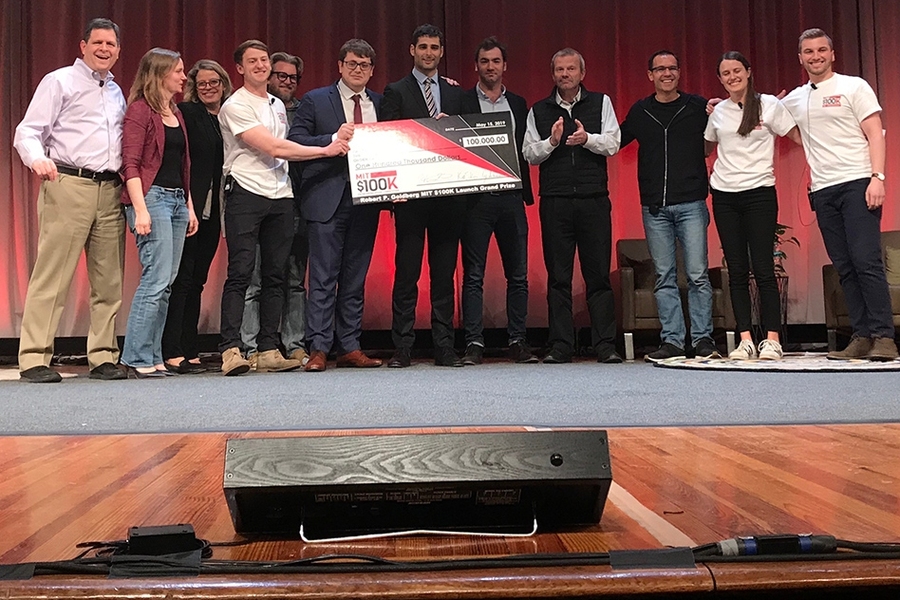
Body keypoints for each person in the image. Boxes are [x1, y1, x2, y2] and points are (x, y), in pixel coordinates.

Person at [217, 39, 348, 376]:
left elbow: (284, 146)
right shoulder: (235, 105)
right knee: (241, 273)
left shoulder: (277, 104)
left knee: (277, 274)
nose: (260, 66)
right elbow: (273, 146)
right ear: (240, 68)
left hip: (281, 195)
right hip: (246, 193)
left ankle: (267, 347)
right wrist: (326, 149)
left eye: (263, 60)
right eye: (253, 61)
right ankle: (231, 348)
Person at [13, 18, 127, 383]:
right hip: (68, 183)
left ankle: (104, 355)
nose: (104, 49)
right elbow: (27, 131)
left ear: (118, 50)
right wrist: (37, 159)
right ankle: (33, 357)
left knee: (108, 280)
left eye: (110, 44)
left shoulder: (116, 91)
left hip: (109, 188)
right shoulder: (59, 80)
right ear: (82, 45)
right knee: (53, 275)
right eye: (97, 43)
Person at [781, 28, 898, 361]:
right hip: (823, 190)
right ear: (800, 58)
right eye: (808, 51)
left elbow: (875, 133)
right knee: (844, 266)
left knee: (866, 262)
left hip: (858, 182)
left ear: (832, 54)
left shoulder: (853, 86)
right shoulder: (797, 97)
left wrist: (878, 177)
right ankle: (860, 335)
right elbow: (773, 119)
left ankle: (883, 336)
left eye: (821, 50)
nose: (815, 56)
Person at [288, 39, 383, 372]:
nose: (358, 70)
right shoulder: (315, 100)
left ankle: (350, 346)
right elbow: (294, 141)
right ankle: (318, 347)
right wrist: (330, 139)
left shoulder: (381, 104)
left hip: (367, 200)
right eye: (352, 63)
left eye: (365, 65)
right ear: (340, 66)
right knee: (323, 279)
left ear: (372, 71)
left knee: (355, 279)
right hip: (326, 199)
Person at [523, 48, 622, 364]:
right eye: (559, 70)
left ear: (583, 73)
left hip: (594, 200)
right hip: (555, 203)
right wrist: (551, 142)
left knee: (598, 277)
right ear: (552, 75)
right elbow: (529, 153)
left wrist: (587, 139)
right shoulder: (539, 110)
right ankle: (561, 345)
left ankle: (605, 345)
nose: (565, 75)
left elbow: (614, 143)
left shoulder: (601, 102)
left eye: (571, 69)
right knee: (558, 277)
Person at [619, 51, 717, 362]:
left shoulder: (697, 106)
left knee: (699, 274)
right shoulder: (641, 111)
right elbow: (614, 140)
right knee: (664, 275)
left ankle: (702, 339)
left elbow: (719, 134)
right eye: (660, 69)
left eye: (672, 68)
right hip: (655, 208)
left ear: (679, 72)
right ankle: (673, 341)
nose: (666, 73)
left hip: (691, 202)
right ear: (650, 75)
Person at [704, 51, 799, 361]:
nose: (732, 77)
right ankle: (744, 338)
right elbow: (707, 146)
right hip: (724, 195)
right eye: (725, 73)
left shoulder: (769, 105)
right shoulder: (718, 112)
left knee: (764, 268)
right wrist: (707, 112)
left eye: (737, 71)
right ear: (720, 79)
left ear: (748, 71)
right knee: (736, 270)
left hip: (759, 193)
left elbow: (795, 134)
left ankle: (771, 339)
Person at [381, 24, 466, 368]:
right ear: (411, 50)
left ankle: (444, 346)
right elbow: (387, 138)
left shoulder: (457, 93)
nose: (429, 53)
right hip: (411, 199)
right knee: (406, 274)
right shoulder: (395, 91)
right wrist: (430, 129)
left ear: (441, 52)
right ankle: (402, 347)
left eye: (434, 47)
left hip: (448, 198)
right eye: (423, 47)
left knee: (444, 276)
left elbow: (467, 141)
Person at [120, 48, 199, 378]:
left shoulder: (175, 112)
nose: (184, 76)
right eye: (178, 71)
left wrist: (190, 207)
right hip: (151, 199)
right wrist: (140, 209)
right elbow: (131, 164)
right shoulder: (140, 111)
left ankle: (152, 355)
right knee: (154, 280)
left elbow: (183, 165)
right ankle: (135, 357)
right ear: (159, 74)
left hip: (177, 201)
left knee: (166, 283)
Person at [459, 37, 537, 365]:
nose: (491, 67)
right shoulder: (461, 102)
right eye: (485, 61)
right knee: (473, 274)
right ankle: (474, 343)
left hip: (511, 198)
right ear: (476, 66)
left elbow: (527, 148)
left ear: (505, 66)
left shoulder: (519, 104)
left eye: (496, 61)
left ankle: (517, 340)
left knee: (517, 274)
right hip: (475, 200)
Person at [161, 59, 232, 374]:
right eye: (202, 83)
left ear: (223, 84)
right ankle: (172, 349)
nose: (208, 88)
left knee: (197, 281)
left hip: (217, 209)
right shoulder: (188, 114)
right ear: (193, 86)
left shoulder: (230, 115)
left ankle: (190, 349)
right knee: (182, 280)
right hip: (191, 207)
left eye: (214, 82)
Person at [241, 51, 309, 368]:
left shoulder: (303, 111)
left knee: (293, 280)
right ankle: (250, 347)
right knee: (254, 278)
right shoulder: (252, 108)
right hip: (256, 199)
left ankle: (293, 344)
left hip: (295, 204)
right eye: (280, 75)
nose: (286, 81)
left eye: (292, 77)